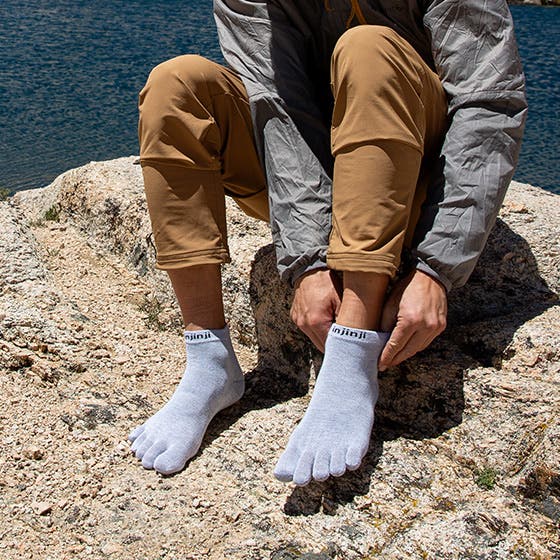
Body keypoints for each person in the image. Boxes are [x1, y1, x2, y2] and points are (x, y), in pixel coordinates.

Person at [129, 0, 526, 486]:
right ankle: (209, 360)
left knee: (368, 47)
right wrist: (309, 261)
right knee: (177, 85)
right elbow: (274, 104)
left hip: (409, 172)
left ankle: (353, 352)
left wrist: (436, 266)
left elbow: (489, 103)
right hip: (306, 176)